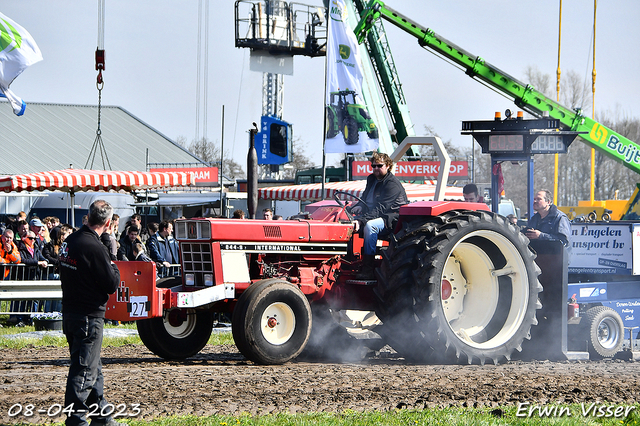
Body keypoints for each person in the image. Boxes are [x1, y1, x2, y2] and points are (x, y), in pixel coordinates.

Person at [59, 199, 123, 426]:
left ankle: (102, 417)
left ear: (88, 216)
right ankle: (76, 420)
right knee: (84, 369)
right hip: (88, 315)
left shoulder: (71, 240)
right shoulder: (95, 247)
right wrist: (110, 253)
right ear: (108, 223)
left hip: (71, 312)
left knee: (92, 365)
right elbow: (111, 283)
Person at [351, 152, 408, 279]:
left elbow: (381, 208)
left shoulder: (392, 184)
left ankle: (368, 268)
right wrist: (359, 206)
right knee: (346, 223)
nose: (376, 168)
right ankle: (349, 262)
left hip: (391, 218)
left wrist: (361, 221)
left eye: (379, 165)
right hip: (373, 213)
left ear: (388, 166)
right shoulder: (371, 179)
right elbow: (365, 198)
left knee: (370, 226)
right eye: (373, 166)